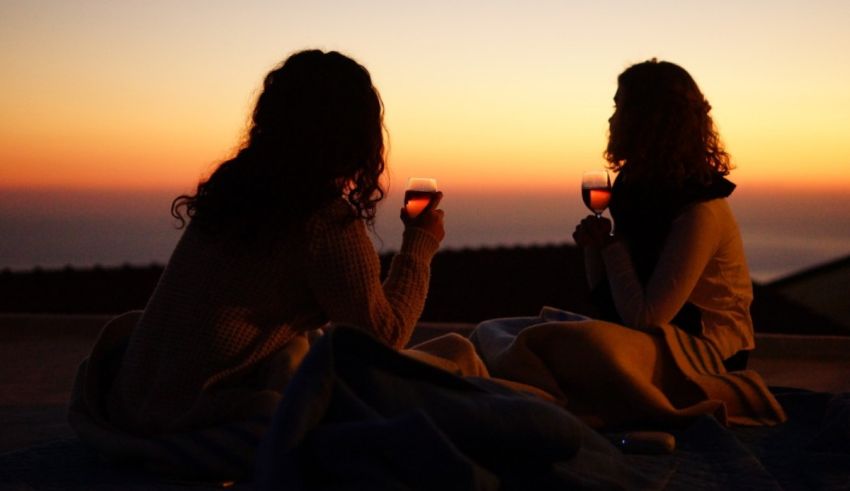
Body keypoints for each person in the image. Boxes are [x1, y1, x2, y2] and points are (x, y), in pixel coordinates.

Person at [68, 49, 444, 481]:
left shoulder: (235, 194)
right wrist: (419, 244)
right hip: (186, 412)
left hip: (136, 398)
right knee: (418, 380)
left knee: (304, 347)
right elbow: (382, 338)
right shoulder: (324, 221)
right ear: (355, 135)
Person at [572, 59, 753, 369]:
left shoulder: (700, 209)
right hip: (659, 339)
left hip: (708, 353)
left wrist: (610, 247)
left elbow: (646, 317)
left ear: (646, 121)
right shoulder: (639, 190)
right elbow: (611, 299)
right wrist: (594, 248)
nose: (612, 119)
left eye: (620, 107)